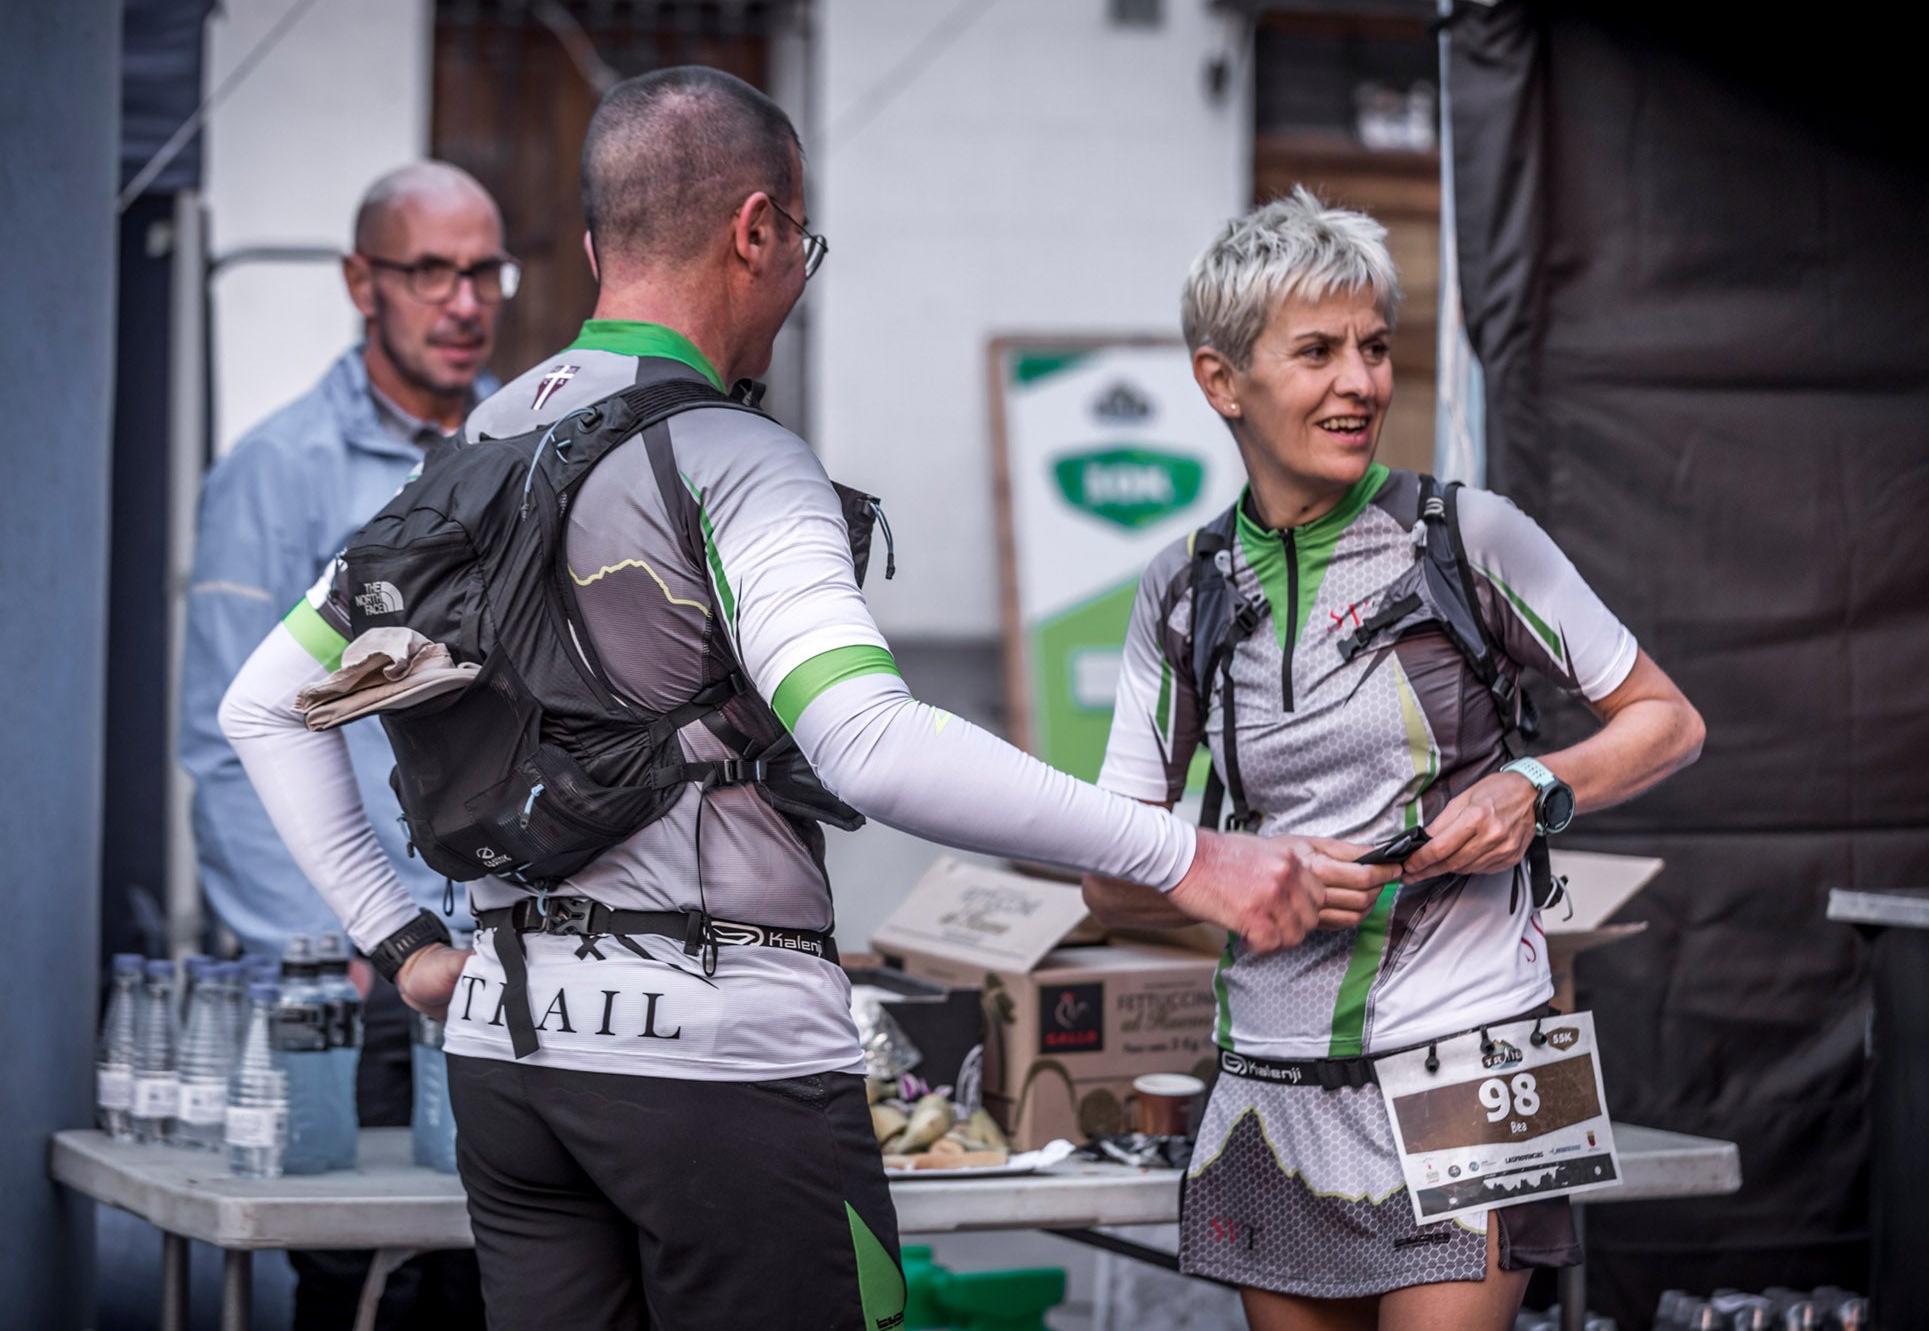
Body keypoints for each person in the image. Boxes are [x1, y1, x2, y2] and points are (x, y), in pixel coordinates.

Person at [217, 68, 1383, 1331]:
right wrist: (1188, 856)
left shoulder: (481, 443)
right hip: (721, 1066)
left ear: (603, 244)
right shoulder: (738, 457)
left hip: (508, 1054)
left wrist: (406, 947)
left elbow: (262, 708)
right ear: (757, 230)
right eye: (801, 246)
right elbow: (868, 741)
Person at [1082, 190, 1706, 1331]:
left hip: (1477, 1062)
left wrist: (1537, 783)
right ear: (1221, 381)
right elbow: (1108, 873)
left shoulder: (1472, 538)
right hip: (1268, 1089)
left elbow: (1666, 719)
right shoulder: (1180, 590)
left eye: (1374, 349)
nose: (1360, 383)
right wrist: (1241, 872)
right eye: (1315, 351)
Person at [179, 160, 509, 1329]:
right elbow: (224, 743)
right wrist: (336, 952)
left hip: (503, 951)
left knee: (499, 1266)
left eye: (482, 271)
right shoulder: (276, 471)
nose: (463, 302)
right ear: (360, 281)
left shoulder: (527, 444)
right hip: (357, 962)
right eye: (431, 272)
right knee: (357, 1274)